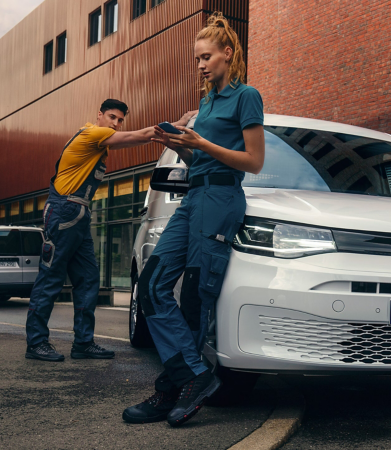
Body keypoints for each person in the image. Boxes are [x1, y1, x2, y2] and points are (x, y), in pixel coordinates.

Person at [122, 13, 265, 427]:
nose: (200, 65)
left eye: (206, 57)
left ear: (228, 53)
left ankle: (171, 390)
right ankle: (194, 375)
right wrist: (181, 146)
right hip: (194, 194)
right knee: (150, 285)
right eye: (196, 59)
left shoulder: (246, 96)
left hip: (222, 197)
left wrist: (201, 141)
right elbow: (197, 159)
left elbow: (254, 161)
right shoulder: (204, 103)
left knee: (195, 298)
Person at [25, 99, 197, 362]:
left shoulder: (99, 143)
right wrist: (181, 123)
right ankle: (36, 343)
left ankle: (83, 343)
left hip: (78, 215)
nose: (116, 124)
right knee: (51, 278)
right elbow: (140, 136)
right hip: (64, 211)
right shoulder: (93, 133)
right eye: (112, 118)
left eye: (120, 120)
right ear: (100, 116)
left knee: (89, 279)